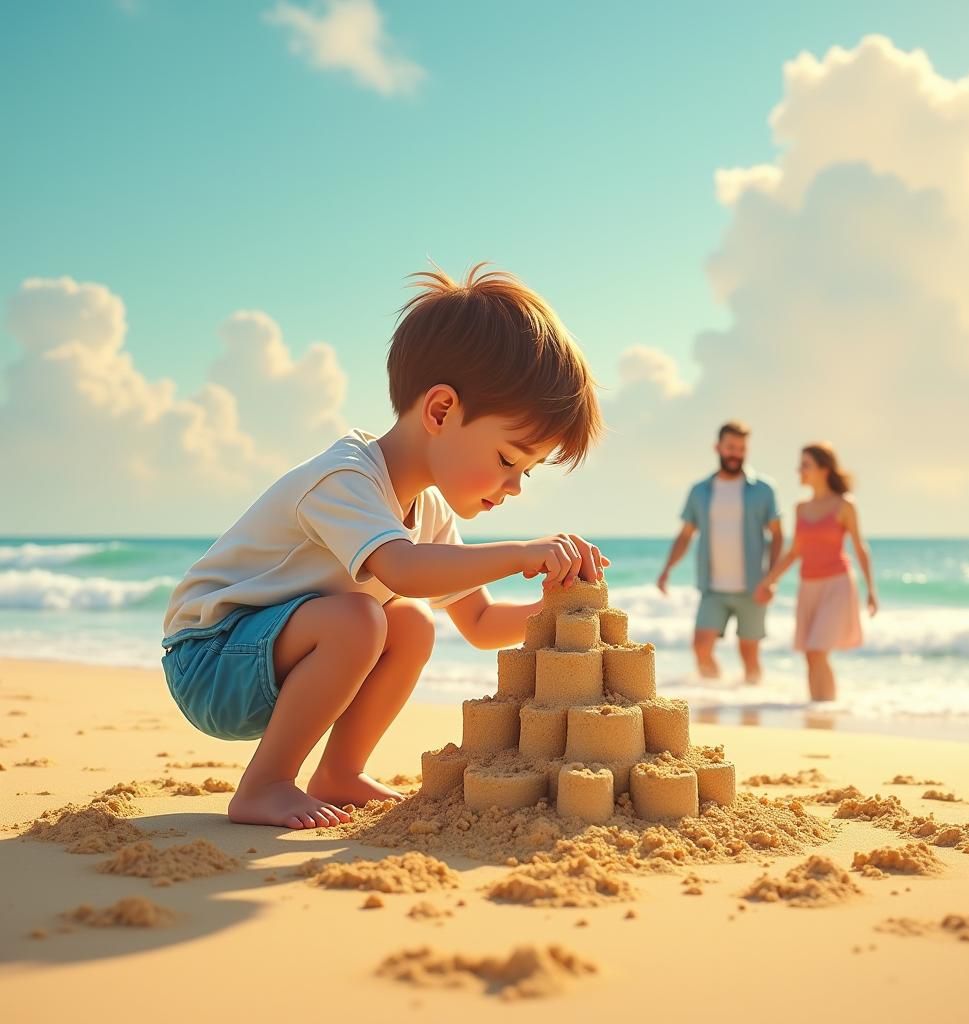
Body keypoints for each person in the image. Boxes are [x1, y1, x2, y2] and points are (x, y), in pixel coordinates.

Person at [160, 263, 607, 829]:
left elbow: (480, 621)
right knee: (360, 618)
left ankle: (339, 772)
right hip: (209, 657)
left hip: (274, 660)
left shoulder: (431, 509)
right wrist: (521, 553)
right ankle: (264, 786)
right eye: (507, 460)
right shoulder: (345, 478)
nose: (515, 486)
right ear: (441, 411)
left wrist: (565, 608)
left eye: (528, 472)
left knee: (412, 623)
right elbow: (402, 570)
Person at [657, 421, 782, 683]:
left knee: (749, 654)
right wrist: (667, 569)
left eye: (741, 448)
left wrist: (771, 579)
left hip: (753, 588)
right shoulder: (700, 491)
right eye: (730, 447)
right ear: (718, 447)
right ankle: (717, 695)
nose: (735, 453)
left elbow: (778, 535)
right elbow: (685, 534)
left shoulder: (763, 489)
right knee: (701, 648)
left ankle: (752, 705)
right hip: (712, 588)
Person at [755, 442, 878, 702]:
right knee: (810, 654)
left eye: (805, 465)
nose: (799, 470)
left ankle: (827, 707)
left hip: (838, 585)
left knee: (817, 649)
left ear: (824, 469)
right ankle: (818, 712)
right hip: (808, 586)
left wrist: (871, 591)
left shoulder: (844, 504)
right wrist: (767, 582)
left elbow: (860, 547)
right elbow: (793, 552)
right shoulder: (801, 508)